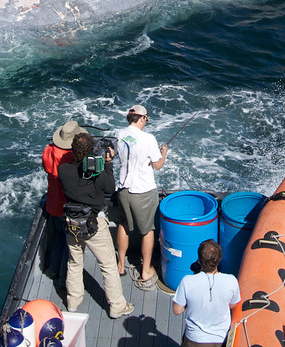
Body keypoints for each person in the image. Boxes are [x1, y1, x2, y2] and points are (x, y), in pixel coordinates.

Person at [58, 132, 134, 319]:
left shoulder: (63, 170)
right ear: (92, 150)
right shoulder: (97, 174)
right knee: (107, 265)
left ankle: (73, 301)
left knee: (74, 262)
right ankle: (117, 306)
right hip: (94, 224)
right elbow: (109, 188)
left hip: (72, 223)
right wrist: (107, 164)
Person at [114, 104, 168, 289]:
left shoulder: (119, 135)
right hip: (143, 192)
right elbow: (158, 165)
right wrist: (164, 153)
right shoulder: (148, 138)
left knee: (124, 224)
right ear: (143, 118)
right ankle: (145, 270)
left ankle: (120, 265)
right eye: (146, 119)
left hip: (123, 189)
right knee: (147, 231)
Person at [40, 120, 85, 291]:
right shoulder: (70, 158)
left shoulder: (49, 150)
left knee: (59, 237)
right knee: (70, 244)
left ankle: (52, 269)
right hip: (68, 207)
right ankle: (64, 280)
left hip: (53, 203)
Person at [172, 239, 241, 347]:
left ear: (199, 260)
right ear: (220, 259)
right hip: (220, 339)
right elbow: (233, 304)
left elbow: (177, 310)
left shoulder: (187, 281)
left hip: (193, 339)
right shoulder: (231, 281)